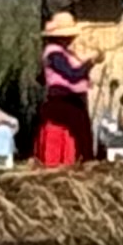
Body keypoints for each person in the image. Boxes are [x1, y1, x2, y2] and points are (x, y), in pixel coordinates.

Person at [33, 10, 97, 167]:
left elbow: (41, 77)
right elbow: (71, 74)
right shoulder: (54, 54)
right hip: (63, 101)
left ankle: (82, 159)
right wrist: (89, 64)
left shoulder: (64, 53)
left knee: (82, 131)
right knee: (78, 132)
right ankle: (75, 160)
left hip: (72, 100)